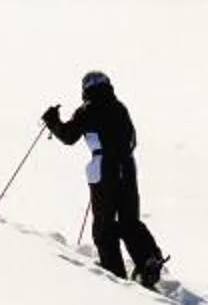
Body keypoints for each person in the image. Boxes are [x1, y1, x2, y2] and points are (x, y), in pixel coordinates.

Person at [43, 70, 165, 288]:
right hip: (128, 166)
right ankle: (148, 260)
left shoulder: (87, 110)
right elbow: (132, 140)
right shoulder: (120, 108)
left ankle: (114, 273)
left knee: (104, 225)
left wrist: (52, 121)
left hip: (103, 168)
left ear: (86, 88)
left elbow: (69, 136)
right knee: (130, 221)